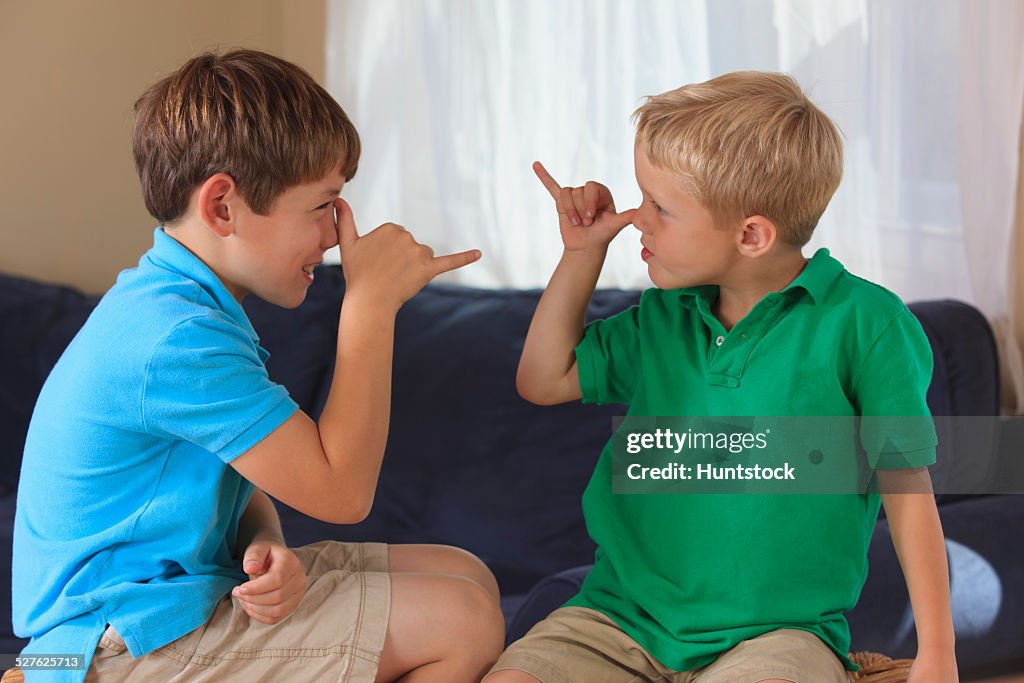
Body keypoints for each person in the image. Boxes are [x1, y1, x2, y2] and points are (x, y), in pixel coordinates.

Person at [13, 49, 504, 683]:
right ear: (223, 207)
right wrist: (370, 307)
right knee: (461, 619)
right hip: (105, 646)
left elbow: (239, 487)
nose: (335, 234)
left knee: (468, 572)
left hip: (169, 600)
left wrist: (260, 545)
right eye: (323, 205)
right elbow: (342, 493)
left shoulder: (185, 305)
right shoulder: (177, 338)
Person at [487, 72, 957, 682]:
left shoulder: (867, 325)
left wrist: (939, 654)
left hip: (779, 638)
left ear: (752, 235)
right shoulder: (663, 316)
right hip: (616, 622)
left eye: (660, 207)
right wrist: (581, 254)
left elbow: (907, 488)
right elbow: (544, 380)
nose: (637, 220)